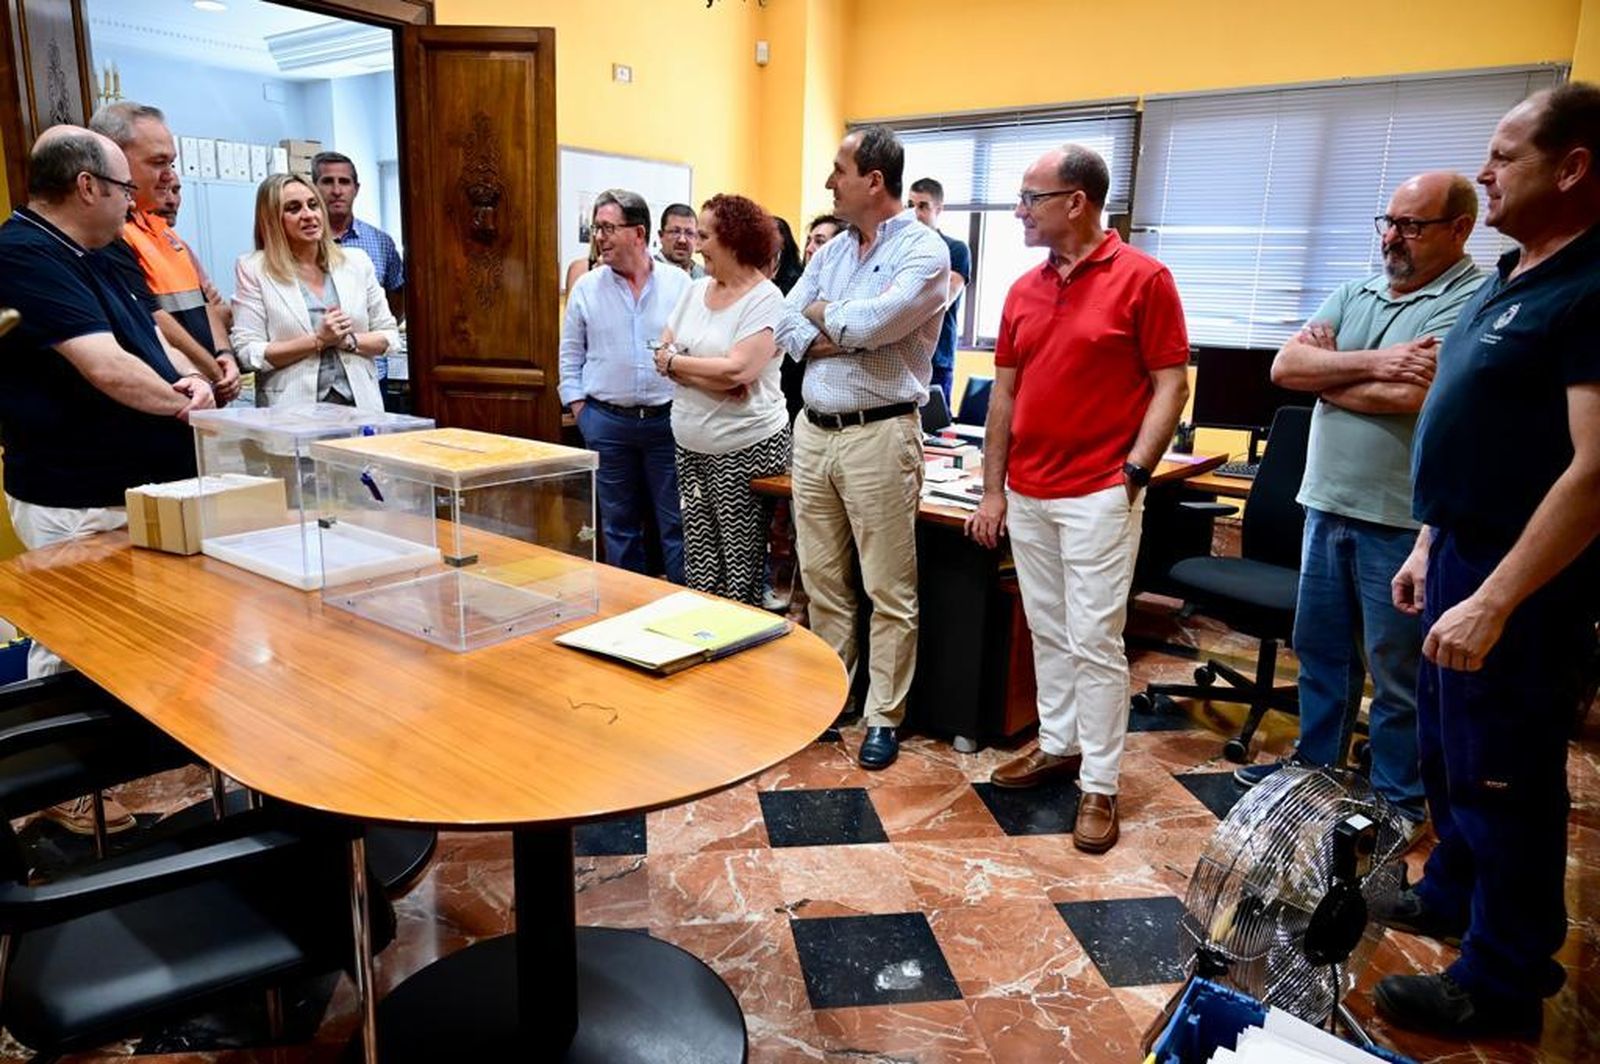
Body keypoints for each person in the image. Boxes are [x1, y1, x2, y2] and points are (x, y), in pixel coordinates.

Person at [1374, 81, 1600, 1041]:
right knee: (1447, 755)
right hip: (1460, 554)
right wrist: (1431, 543)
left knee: (1505, 775)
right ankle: (1451, 894)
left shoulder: (1591, 289)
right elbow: (1471, 429)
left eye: (1505, 156)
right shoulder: (1516, 274)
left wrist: (1498, 599)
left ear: (1575, 166)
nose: (1484, 171)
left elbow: (1596, 471)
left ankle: (1501, 979)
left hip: (1525, 582)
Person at [1234, 173, 1486, 841]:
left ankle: (1397, 800)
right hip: (1326, 505)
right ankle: (1314, 769)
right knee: (1320, 654)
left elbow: (1420, 395)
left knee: (1395, 671)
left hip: (1401, 520)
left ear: (1460, 228)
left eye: (1412, 225)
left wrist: (1333, 374)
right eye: (1388, 220)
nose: (1391, 237)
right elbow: (1286, 369)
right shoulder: (1356, 289)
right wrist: (1376, 365)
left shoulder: (1468, 298)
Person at [966, 145, 1190, 854]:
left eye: (1031, 196)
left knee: (1095, 639)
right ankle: (1058, 743)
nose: (1019, 210)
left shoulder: (1145, 279)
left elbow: (1170, 384)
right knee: (1049, 626)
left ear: (1077, 201)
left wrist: (1133, 471)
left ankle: (1100, 781)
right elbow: (1004, 394)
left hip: (1100, 490)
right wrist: (992, 488)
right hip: (1028, 492)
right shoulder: (1023, 289)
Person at [0, 125, 215, 833]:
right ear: (87, 185)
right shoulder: (25, 254)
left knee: (129, 643)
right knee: (68, 647)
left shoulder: (105, 250)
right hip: (74, 494)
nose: (134, 202)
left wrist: (187, 378)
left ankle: (110, 773)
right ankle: (48, 797)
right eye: (125, 187)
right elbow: (103, 366)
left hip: (134, 485)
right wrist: (191, 407)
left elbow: (144, 342)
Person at [776, 126, 950, 770]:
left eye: (838, 170)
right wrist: (835, 323)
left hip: (880, 432)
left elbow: (870, 324)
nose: (829, 183)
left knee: (887, 588)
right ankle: (834, 696)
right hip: (814, 430)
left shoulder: (924, 253)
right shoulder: (834, 250)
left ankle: (884, 714)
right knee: (822, 580)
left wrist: (833, 319)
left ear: (874, 180)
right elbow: (788, 324)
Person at [652, 194, 790, 604]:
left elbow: (740, 371)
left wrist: (684, 365)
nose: (697, 245)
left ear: (733, 239)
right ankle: (705, 651)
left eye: (705, 235)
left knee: (740, 571)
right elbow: (662, 351)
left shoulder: (766, 298)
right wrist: (708, 373)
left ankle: (741, 662)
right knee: (700, 567)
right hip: (689, 445)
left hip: (744, 448)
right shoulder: (694, 291)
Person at [559, 188, 692, 583]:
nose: (598, 236)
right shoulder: (586, 286)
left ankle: (683, 609)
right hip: (607, 424)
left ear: (638, 233)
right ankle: (628, 613)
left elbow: (693, 347)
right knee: (618, 527)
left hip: (667, 423)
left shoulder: (679, 285)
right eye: (596, 228)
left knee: (676, 524)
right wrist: (582, 412)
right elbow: (569, 356)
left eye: (607, 227)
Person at [88, 102, 241, 405]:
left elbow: (204, 302)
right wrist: (211, 371)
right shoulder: (110, 237)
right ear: (114, 159)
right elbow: (153, 318)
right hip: (172, 391)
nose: (169, 176)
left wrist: (224, 355)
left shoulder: (165, 231)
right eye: (158, 163)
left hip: (202, 388)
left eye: (171, 163)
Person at [230, 174, 398, 411]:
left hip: (361, 407)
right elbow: (249, 352)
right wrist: (318, 341)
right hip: (291, 411)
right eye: (293, 208)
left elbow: (389, 337)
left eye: (313, 205)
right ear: (272, 219)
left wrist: (348, 340)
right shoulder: (253, 269)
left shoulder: (356, 262)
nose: (308, 215)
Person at [311, 151, 406, 321]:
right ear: (313, 188)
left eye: (344, 182)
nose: (337, 191)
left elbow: (396, 304)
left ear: (356, 189)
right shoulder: (301, 241)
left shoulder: (382, 243)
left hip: (370, 343)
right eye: (327, 182)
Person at [908, 178, 972, 406]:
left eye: (922, 206)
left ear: (939, 209)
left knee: (932, 433)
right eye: (909, 205)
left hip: (936, 360)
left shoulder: (955, 249)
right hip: (901, 359)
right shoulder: (899, 250)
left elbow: (939, 300)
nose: (914, 213)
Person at [654, 203, 706, 279]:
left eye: (689, 233)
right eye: (675, 232)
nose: (682, 240)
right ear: (661, 236)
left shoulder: (705, 278)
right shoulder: (647, 274)